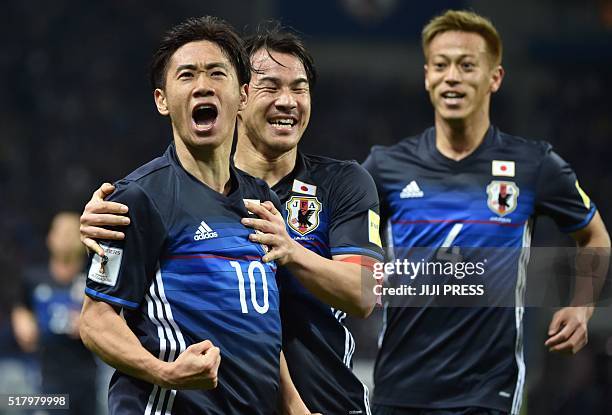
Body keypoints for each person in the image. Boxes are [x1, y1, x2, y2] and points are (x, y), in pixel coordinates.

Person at [80, 23, 383, 415]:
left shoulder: (278, 196)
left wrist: (290, 250)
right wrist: (166, 372)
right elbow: (95, 319)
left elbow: (352, 296)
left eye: (299, 87)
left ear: (234, 93)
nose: (287, 101)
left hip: (326, 400)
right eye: (270, 86)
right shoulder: (142, 197)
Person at [361, 10, 611, 415]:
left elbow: (595, 236)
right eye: (441, 65)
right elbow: (345, 244)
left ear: (495, 77)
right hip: (397, 390)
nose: (452, 77)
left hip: (487, 394)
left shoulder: (534, 164)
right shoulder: (386, 166)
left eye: (467, 65)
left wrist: (582, 306)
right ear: (427, 76)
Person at [12, 212, 98, 414]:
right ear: (50, 238)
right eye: (61, 232)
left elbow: (116, 315)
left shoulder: (94, 278)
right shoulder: (34, 278)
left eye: (71, 232)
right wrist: (22, 321)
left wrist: (89, 323)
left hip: (88, 372)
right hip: (46, 373)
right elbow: (22, 306)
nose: (66, 238)